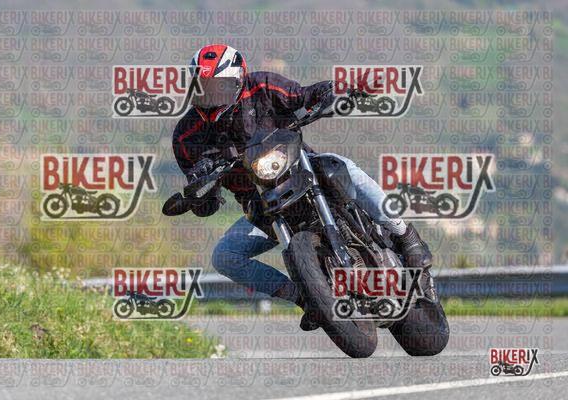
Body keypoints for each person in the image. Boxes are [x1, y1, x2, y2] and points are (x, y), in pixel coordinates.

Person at [172, 44, 448, 355]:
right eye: (203, 87)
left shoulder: (262, 86)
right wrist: (198, 196)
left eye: (218, 86)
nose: (210, 95)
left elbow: (303, 95)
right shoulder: (186, 136)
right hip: (260, 205)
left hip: (302, 169)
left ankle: (404, 234)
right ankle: (304, 296)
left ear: (238, 80)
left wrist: (335, 92)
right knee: (224, 256)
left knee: (344, 165)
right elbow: (205, 200)